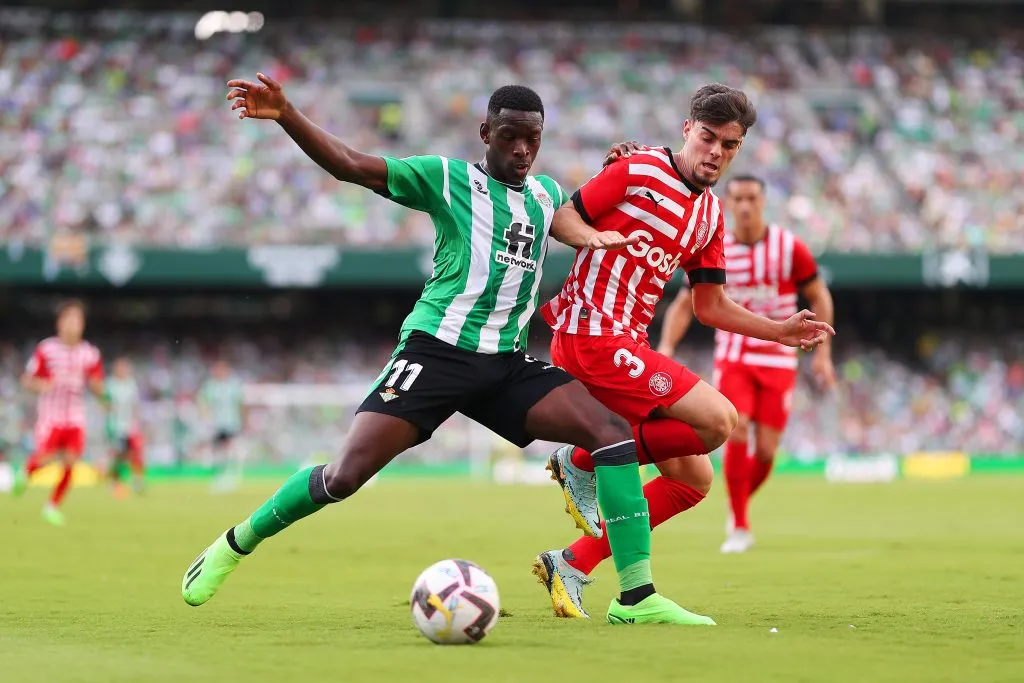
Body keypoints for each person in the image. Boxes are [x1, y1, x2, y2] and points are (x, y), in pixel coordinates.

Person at [182, 74, 702, 626]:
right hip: (437, 354)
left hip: (504, 364)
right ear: (485, 133)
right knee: (345, 476)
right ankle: (235, 543)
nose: (521, 149)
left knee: (611, 433)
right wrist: (287, 114)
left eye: (532, 139)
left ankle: (636, 597)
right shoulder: (446, 179)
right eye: (509, 137)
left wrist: (610, 195)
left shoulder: (546, 194)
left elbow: (573, 220)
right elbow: (351, 165)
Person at [532, 84, 834, 619]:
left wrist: (778, 331)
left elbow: (710, 305)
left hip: (626, 343)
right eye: (708, 138)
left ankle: (576, 565)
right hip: (589, 332)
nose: (716, 152)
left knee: (693, 480)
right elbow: (563, 217)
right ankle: (579, 461)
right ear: (687, 129)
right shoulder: (638, 169)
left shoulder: (710, 216)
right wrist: (593, 239)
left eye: (730, 145)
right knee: (719, 420)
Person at [658, 174, 836, 553]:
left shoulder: (789, 248)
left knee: (768, 451)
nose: (744, 206)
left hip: (778, 358)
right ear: (728, 202)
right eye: (737, 198)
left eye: (751, 198)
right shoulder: (715, 248)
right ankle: (739, 525)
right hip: (735, 354)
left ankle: (736, 504)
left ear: (763, 202)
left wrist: (823, 355)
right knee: (736, 431)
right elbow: (684, 305)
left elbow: (819, 296)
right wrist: (667, 346)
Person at [12, 300, 105, 525]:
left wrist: (99, 391)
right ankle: (26, 473)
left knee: (71, 461)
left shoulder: (90, 353)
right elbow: (27, 379)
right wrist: (42, 385)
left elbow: (97, 384)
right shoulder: (47, 349)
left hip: (75, 416)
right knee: (46, 457)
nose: (73, 324)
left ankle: (51, 506)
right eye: (69, 319)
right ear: (59, 322)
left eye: (77, 320)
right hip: (51, 415)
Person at [198, 360, 246, 492]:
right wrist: (206, 419)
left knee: (230, 449)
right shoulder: (211, 386)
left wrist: (243, 420)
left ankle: (231, 475)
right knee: (217, 451)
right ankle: (219, 476)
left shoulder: (233, 385)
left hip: (231, 423)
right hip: (217, 424)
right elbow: (204, 403)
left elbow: (240, 404)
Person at [105, 357, 145, 497]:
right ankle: (115, 482)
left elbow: (135, 405)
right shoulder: (110, 385)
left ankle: (137, 481)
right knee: (120, 455)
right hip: (116, 426)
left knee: (136, 452)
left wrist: (137, 422)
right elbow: (104, 403)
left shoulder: (131, 384)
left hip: (130, 425)